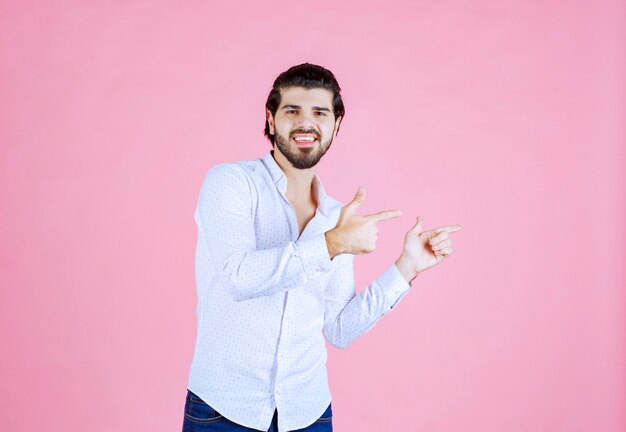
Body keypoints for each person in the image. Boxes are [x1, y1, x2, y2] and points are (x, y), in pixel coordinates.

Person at [182, 63, 461, 432]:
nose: (305, 123)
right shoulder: (230, 183)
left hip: (308, 413)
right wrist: (330, 245)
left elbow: (340, 328)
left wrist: (406, 268)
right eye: (292, 110)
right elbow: (238, 278)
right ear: (270, 120)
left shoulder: (335, 217)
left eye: (319, 113)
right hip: (223, 410)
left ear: (336, 126)